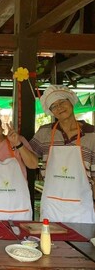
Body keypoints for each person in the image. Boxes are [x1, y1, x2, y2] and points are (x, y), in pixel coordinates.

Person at [30, 85, 95, 223]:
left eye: (62, 102)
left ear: (71, 101)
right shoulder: (44, 133)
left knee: (82, 244)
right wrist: (17, 143)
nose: (59, 107)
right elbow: (30, 160)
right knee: (50, 243)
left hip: (81, 206)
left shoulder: (92, 134)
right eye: (53, 106)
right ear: (51, 111)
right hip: (52, 206)